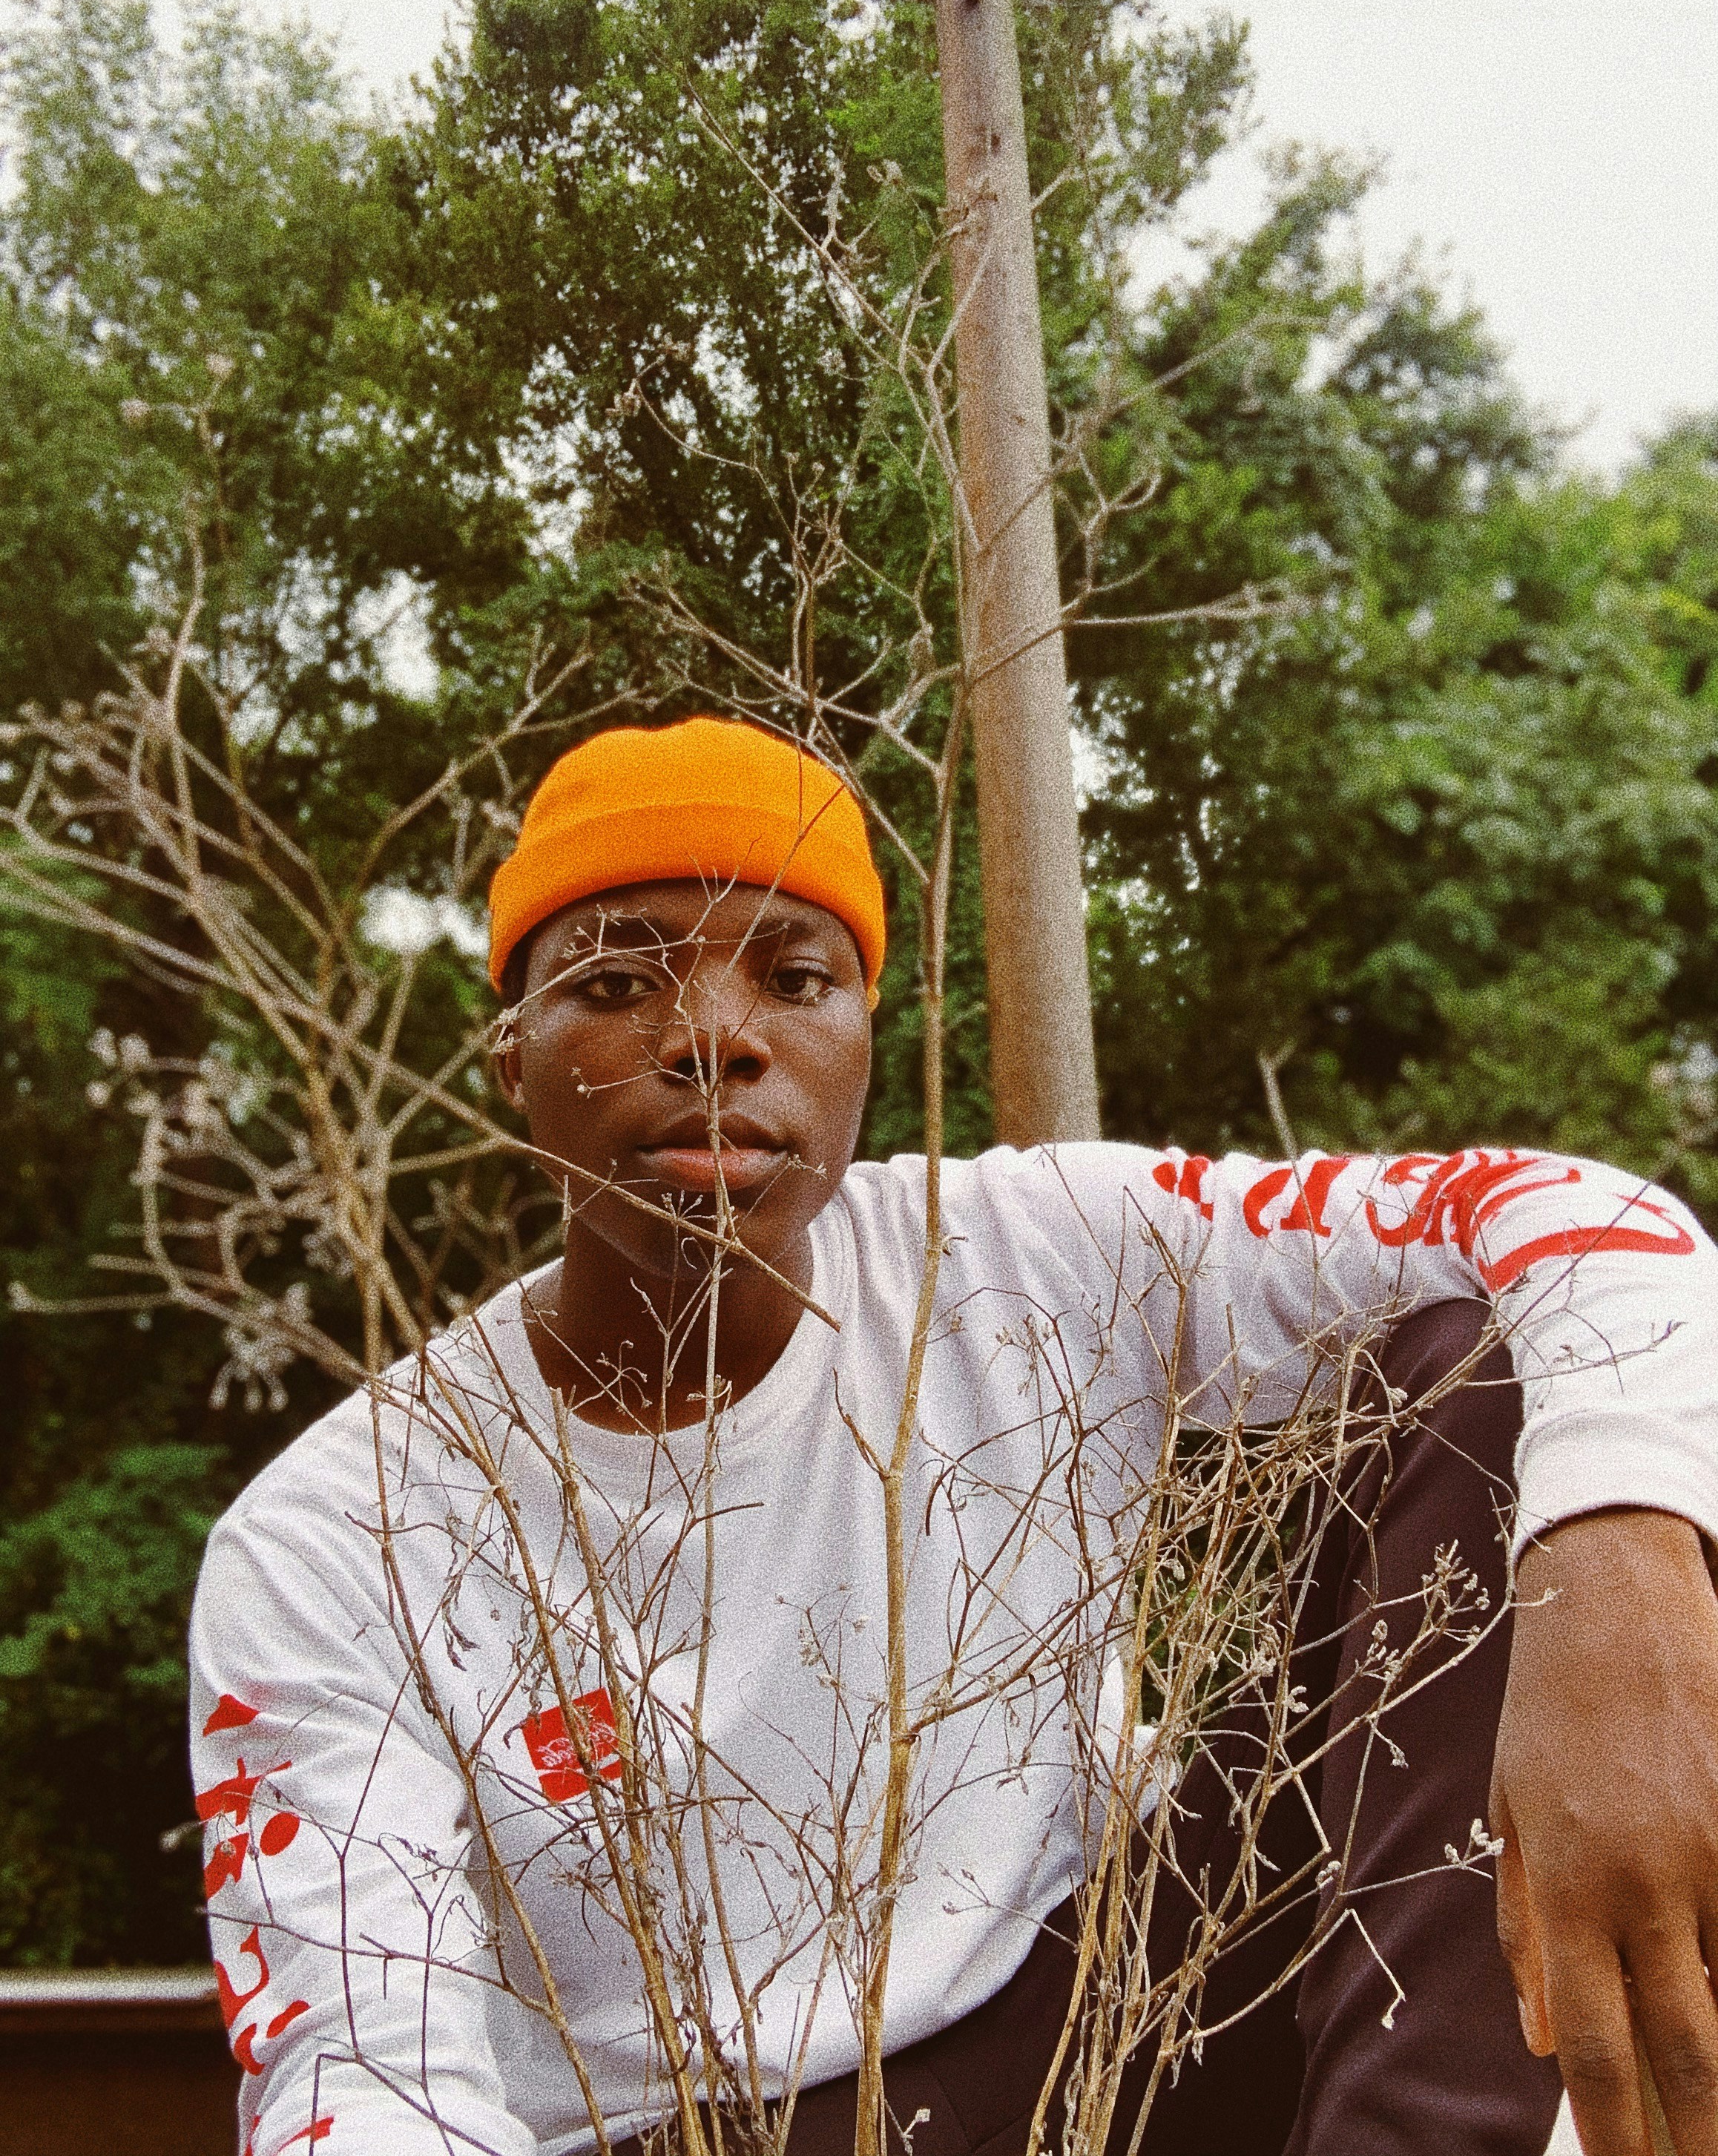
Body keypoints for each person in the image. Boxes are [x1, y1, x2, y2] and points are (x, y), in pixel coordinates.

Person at [190, 717, 1718, 2156]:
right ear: (506, 1055)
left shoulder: (1026, 1249)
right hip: (701, 2124)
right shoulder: (339, 1531)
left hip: (1087, 2029)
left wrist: (1624, 1570)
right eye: (617, 981)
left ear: (868, 1035)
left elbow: (1587, 1221)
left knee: (1494, 1369)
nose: (713, 1034)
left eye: (792, 976)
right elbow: (364, 2075)